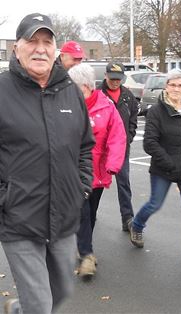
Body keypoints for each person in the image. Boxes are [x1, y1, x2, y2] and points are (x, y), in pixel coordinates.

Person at [0, 13, 94, 314]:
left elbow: (85, 147)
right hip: (19, 218)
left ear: (56, 50)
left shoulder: (70, 92)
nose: (40, 48)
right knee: (41, 305)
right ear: (16, 48)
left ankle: (19, 310)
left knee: (61, 292)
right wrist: (5, 198)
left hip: (65, 216)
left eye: (47, 42)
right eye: (32, 41)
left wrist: (80, 188)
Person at [128, 69, 181, 258]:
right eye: (172, 84)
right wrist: (169, 163)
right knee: (155, 204)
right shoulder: (157, 112)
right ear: (166, 86)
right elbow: (149, 143)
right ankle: (137, 225)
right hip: (163, 169)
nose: (176, 88)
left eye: (180, 85)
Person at [68, 63, 126, 279]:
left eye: (77, 88)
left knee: (91, 214)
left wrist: (113, 164)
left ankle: (83, 246)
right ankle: (87, 255)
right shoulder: (67, 106)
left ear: (88, 86)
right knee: (81, 212)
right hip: (74, 172)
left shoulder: (106, 106)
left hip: (99, 171)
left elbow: (117, 136)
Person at [101, 62, 138, 231]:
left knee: (124, 184)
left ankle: (127, 218)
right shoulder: (97, 94)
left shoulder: (128, 96)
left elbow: (133, 121)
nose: (115, 82)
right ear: (105, 76)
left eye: (119, 79)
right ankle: (88, 217)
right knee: (95, 187)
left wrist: (127, 138)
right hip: (100, 150)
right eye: (112, 78)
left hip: (121, 150)